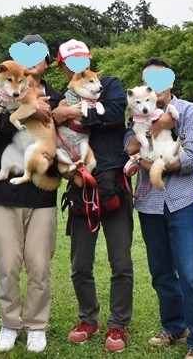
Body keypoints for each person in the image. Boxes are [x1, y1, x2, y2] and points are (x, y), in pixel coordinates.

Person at [124, 57, 193, 359]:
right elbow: (129, 148)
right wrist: (159, 126)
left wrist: (152, 164)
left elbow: (191, 158)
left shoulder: (188, 111)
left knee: (190, 273)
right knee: (161, 272)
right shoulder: (137, 113)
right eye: (148, 82)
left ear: (171, 82)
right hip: (149, 203)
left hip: (183, 200)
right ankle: (174, 325)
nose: (154, 87)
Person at [52, 39, 133, 353]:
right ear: (62, 66)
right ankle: (88, 318)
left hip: (113, 181)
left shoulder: (109, 84)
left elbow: (112, 113)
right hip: (79, 184)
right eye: (70, 61)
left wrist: (69, 112)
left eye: (81, 59)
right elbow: (50, 125)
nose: (77, 65)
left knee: (121, 261)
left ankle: (118, 323)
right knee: (80, 263)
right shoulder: (60, 96)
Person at [0, 34, 64, 354]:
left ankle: (36, 326)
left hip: (42, 197)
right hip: (4, 194)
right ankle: (9, 323)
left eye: (39, 55)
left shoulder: (59, 99)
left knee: (39, 266)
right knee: (6, 265)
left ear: (47, 62)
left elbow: (66, 141)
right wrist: (26, 113)